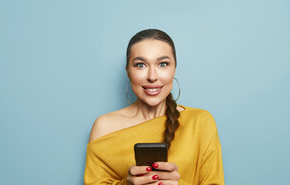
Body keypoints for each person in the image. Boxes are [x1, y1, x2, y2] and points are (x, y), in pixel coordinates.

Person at [84, 29, 224, 185]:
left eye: (163, 64)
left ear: (174, 68)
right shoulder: (104, 126)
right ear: (128, 71)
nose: (152, 76)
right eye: (141, 65)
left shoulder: (200, 122)